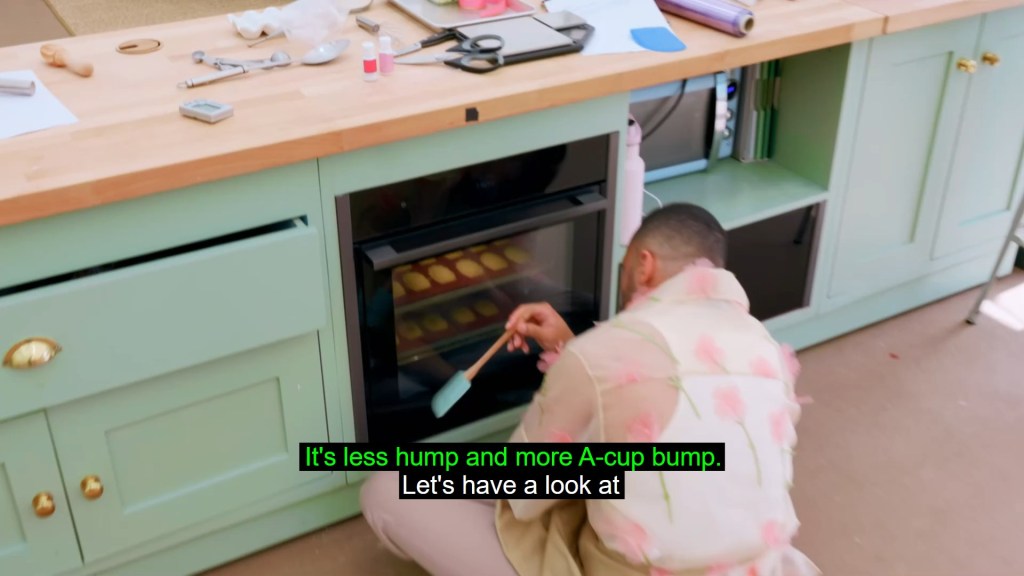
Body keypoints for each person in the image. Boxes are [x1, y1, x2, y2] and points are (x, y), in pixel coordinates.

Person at [360, 203, 818, 576]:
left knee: (390, 488)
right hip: (754, 567)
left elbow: (521, 489)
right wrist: (571, 348)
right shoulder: (766, 350)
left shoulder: (600, 355)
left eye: (625, 268)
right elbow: (664, 403)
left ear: (644, 264)